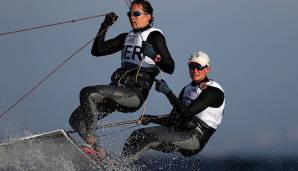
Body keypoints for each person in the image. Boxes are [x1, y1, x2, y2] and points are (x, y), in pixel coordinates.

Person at [69, 0, 174, 160]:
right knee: (76, 119)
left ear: (149, 17)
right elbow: (97, 50)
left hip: (133, 95)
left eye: (136, 14)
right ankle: (100, 154)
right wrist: (105, 26)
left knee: (88, 93)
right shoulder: (127, 37)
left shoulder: (154, 36)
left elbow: (170, 67)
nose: (132, 17)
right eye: (130, 14)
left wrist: (154, 55)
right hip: (116, 93)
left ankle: (89, 143)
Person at [121, 51, 225, 160]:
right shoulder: (187, 90)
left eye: (198, 67)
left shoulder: (213, 91)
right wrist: (151, 118)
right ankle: (117, 163)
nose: (194, 70)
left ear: (207, 69)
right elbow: (173, 120)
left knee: (149, 138)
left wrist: (168, 93)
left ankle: (121, 166)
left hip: (194, 140)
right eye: (191, 66)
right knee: (137, 135)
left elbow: (187, 113)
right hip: (179, 132)